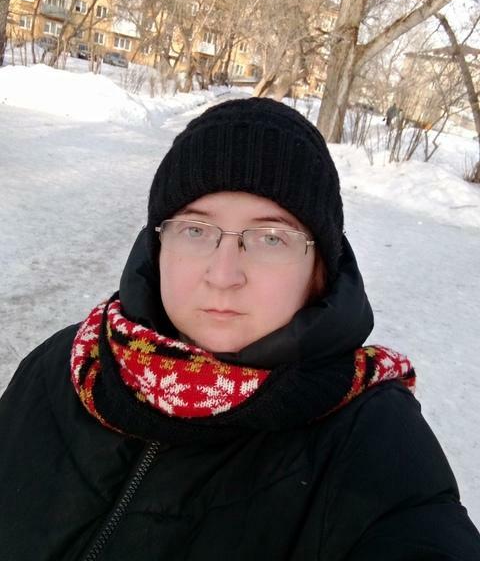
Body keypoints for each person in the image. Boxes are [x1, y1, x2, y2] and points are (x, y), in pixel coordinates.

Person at [1, 98, 479, 561]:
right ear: (157, 245)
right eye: (195, 230)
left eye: (271, 238)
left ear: (319, 270)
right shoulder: (64, 364)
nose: (224, 274)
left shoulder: (373, 441)